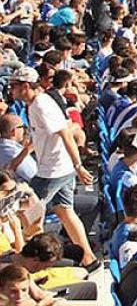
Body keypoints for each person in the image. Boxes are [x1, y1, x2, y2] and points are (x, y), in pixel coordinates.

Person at [7, 67, 94, 267]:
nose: (11, 90)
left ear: (25, 86)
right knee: (65, 212)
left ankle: (30, 263)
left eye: (14, 86)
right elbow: (38, 138)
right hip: (58, 169)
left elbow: (66, 134)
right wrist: (20, 158)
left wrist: (79, 166)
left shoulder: (41, 106)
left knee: (25, 213)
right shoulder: (36, 104)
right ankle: (88, 259)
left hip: (52, 172)